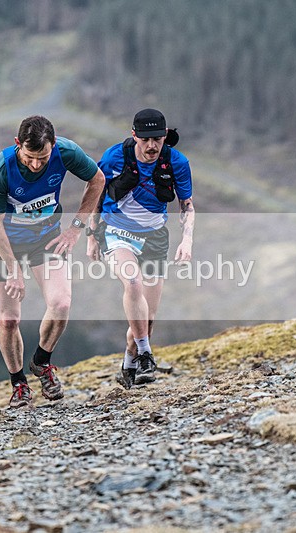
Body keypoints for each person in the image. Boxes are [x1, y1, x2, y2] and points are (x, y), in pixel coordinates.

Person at [0, 115, 105, 408]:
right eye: (30, 157)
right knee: (9, 319)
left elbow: (97, 179)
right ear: (17, 146)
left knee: (61, 304)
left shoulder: (67, 152)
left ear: (54, 145)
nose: (36, 164)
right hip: (4, 244)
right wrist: (13, 269)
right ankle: (18, 384)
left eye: (43, 158)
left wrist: (76, 229)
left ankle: (41, 362)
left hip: (45, 239)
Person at [87, 108, 195, 388]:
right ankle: (147, 354)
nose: (151, 146)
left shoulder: (177, 162)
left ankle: (129, 363)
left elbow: (187, 206)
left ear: (165, 135)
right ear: (134, 135)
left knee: (147, 317)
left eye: (157, 139)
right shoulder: (114, 157)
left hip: (155, 237)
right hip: (116, 232)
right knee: (132, 283)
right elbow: (96, 194)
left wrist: (187, 240)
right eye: (145, 139)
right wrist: (90, 235)